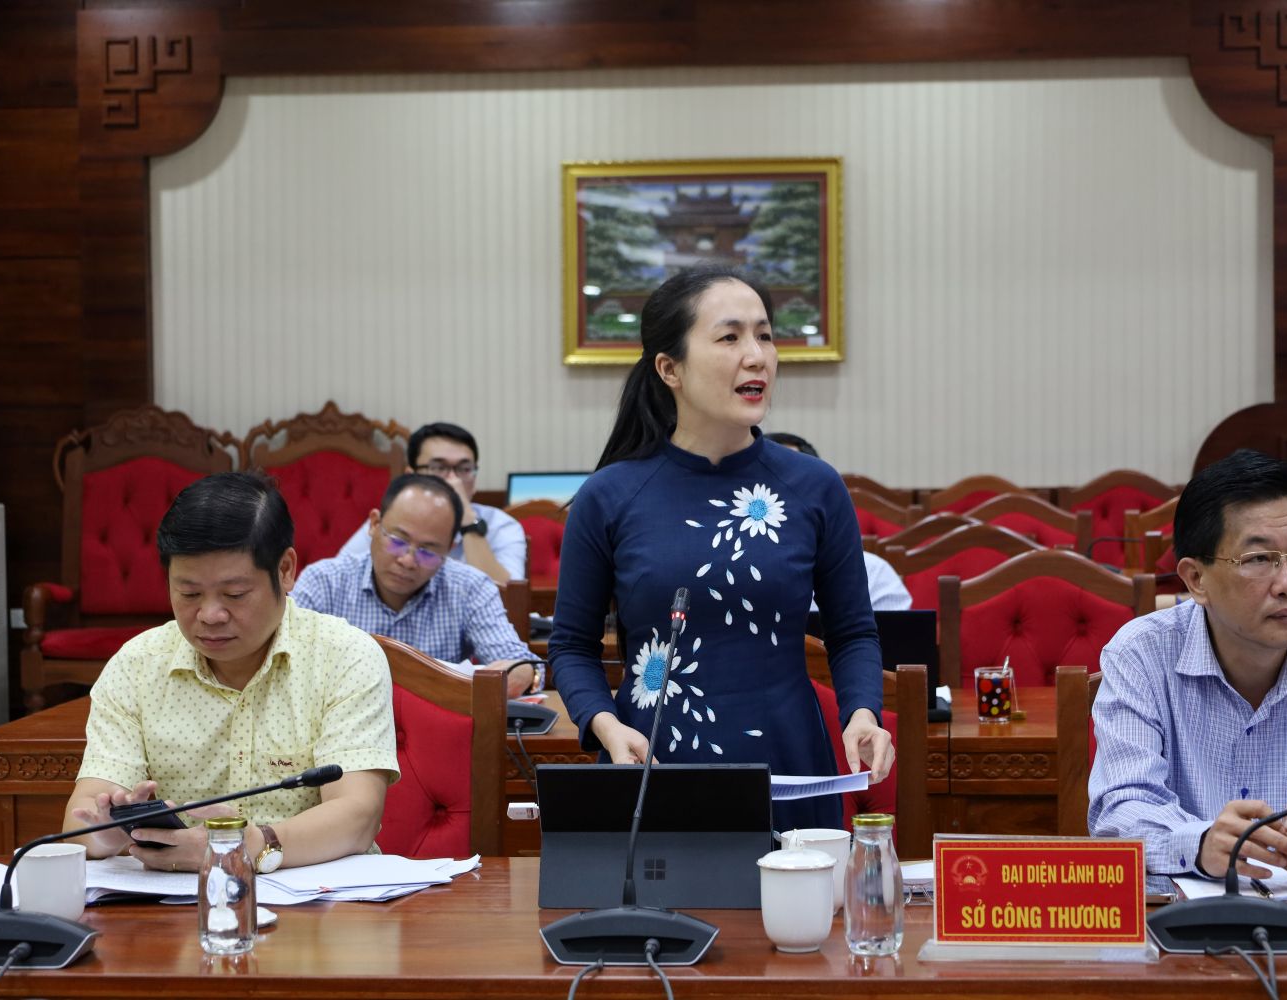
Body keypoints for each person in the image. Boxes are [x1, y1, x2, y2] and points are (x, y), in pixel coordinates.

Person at [548, 265, 893, 833]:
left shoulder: (814, 487)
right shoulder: (609, 496)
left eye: (765, 335)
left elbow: (853, 632)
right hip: (653, 760)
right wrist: (605, 725)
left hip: (789, 756)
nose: (757, 356)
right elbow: (570, 646)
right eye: (730, 337)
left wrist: (861, 712)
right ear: (670, 368)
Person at [1088, 450, 1287, 886]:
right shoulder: (1141, 655)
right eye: (1259, 560)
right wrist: (1200, 843)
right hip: (1185, 917)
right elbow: (1121, 808)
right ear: (1196, 579)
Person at [65, 472, 399, 873]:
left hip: (323, 900)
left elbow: (357, 817)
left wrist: (244, 847)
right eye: (189, 593)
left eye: (235, 594)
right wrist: (103, 836)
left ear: (286, 570)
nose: (210, 615)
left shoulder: (345, 657)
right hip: (177, 902)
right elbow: (84, 815)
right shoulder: (137, 666)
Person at [296, 473, 541, 697]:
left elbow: (522, 664)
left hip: (436, 727)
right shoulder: (324, 582)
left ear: (449, 549)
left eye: (428, 551)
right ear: (374, 524)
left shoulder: (470, 588)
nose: (408, 561)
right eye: (398, 541)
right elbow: (285, 659)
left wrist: (525, 673)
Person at [337, 422, 526, 585]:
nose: (453, 480)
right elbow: (339, 579)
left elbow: (508, 599)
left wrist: (468, 523)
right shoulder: (389, 524)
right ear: (411, 476)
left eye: (464, 469)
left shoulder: (501, 526)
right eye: (438, 467)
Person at [764, 432, 913, 612]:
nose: (779, 499)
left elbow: (895, 631)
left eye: (790, 485)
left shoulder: (873, 573)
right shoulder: (737, 573)